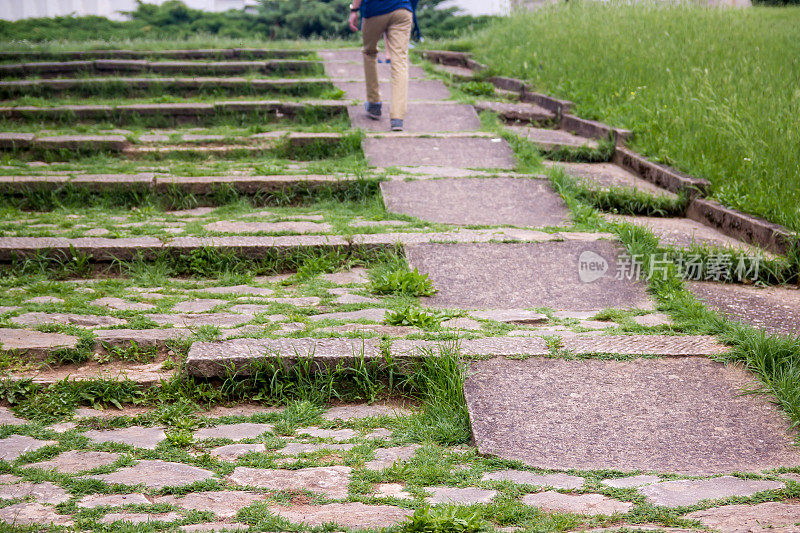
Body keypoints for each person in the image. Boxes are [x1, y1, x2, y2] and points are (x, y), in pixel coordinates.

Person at [348, 0, 413, 132]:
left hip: (374, 10)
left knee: (369, 53)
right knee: (400, 61)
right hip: (402, 9)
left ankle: (374, 103)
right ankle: (397, 117)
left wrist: (354, 11)